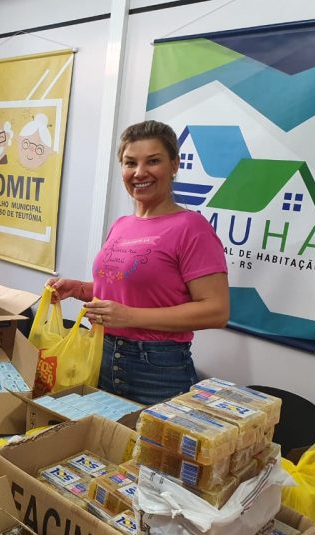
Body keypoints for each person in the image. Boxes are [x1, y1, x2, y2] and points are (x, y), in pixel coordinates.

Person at [48, 120, 229, 405]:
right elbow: (134, 288)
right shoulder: (122, 224)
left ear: (174, 165)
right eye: (130, 163)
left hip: (157, 370)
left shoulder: (191, 227)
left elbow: (216, 311)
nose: (139, 172)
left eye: (153, 161)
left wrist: (130, 316)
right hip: (102, 356)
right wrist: (80, 289)